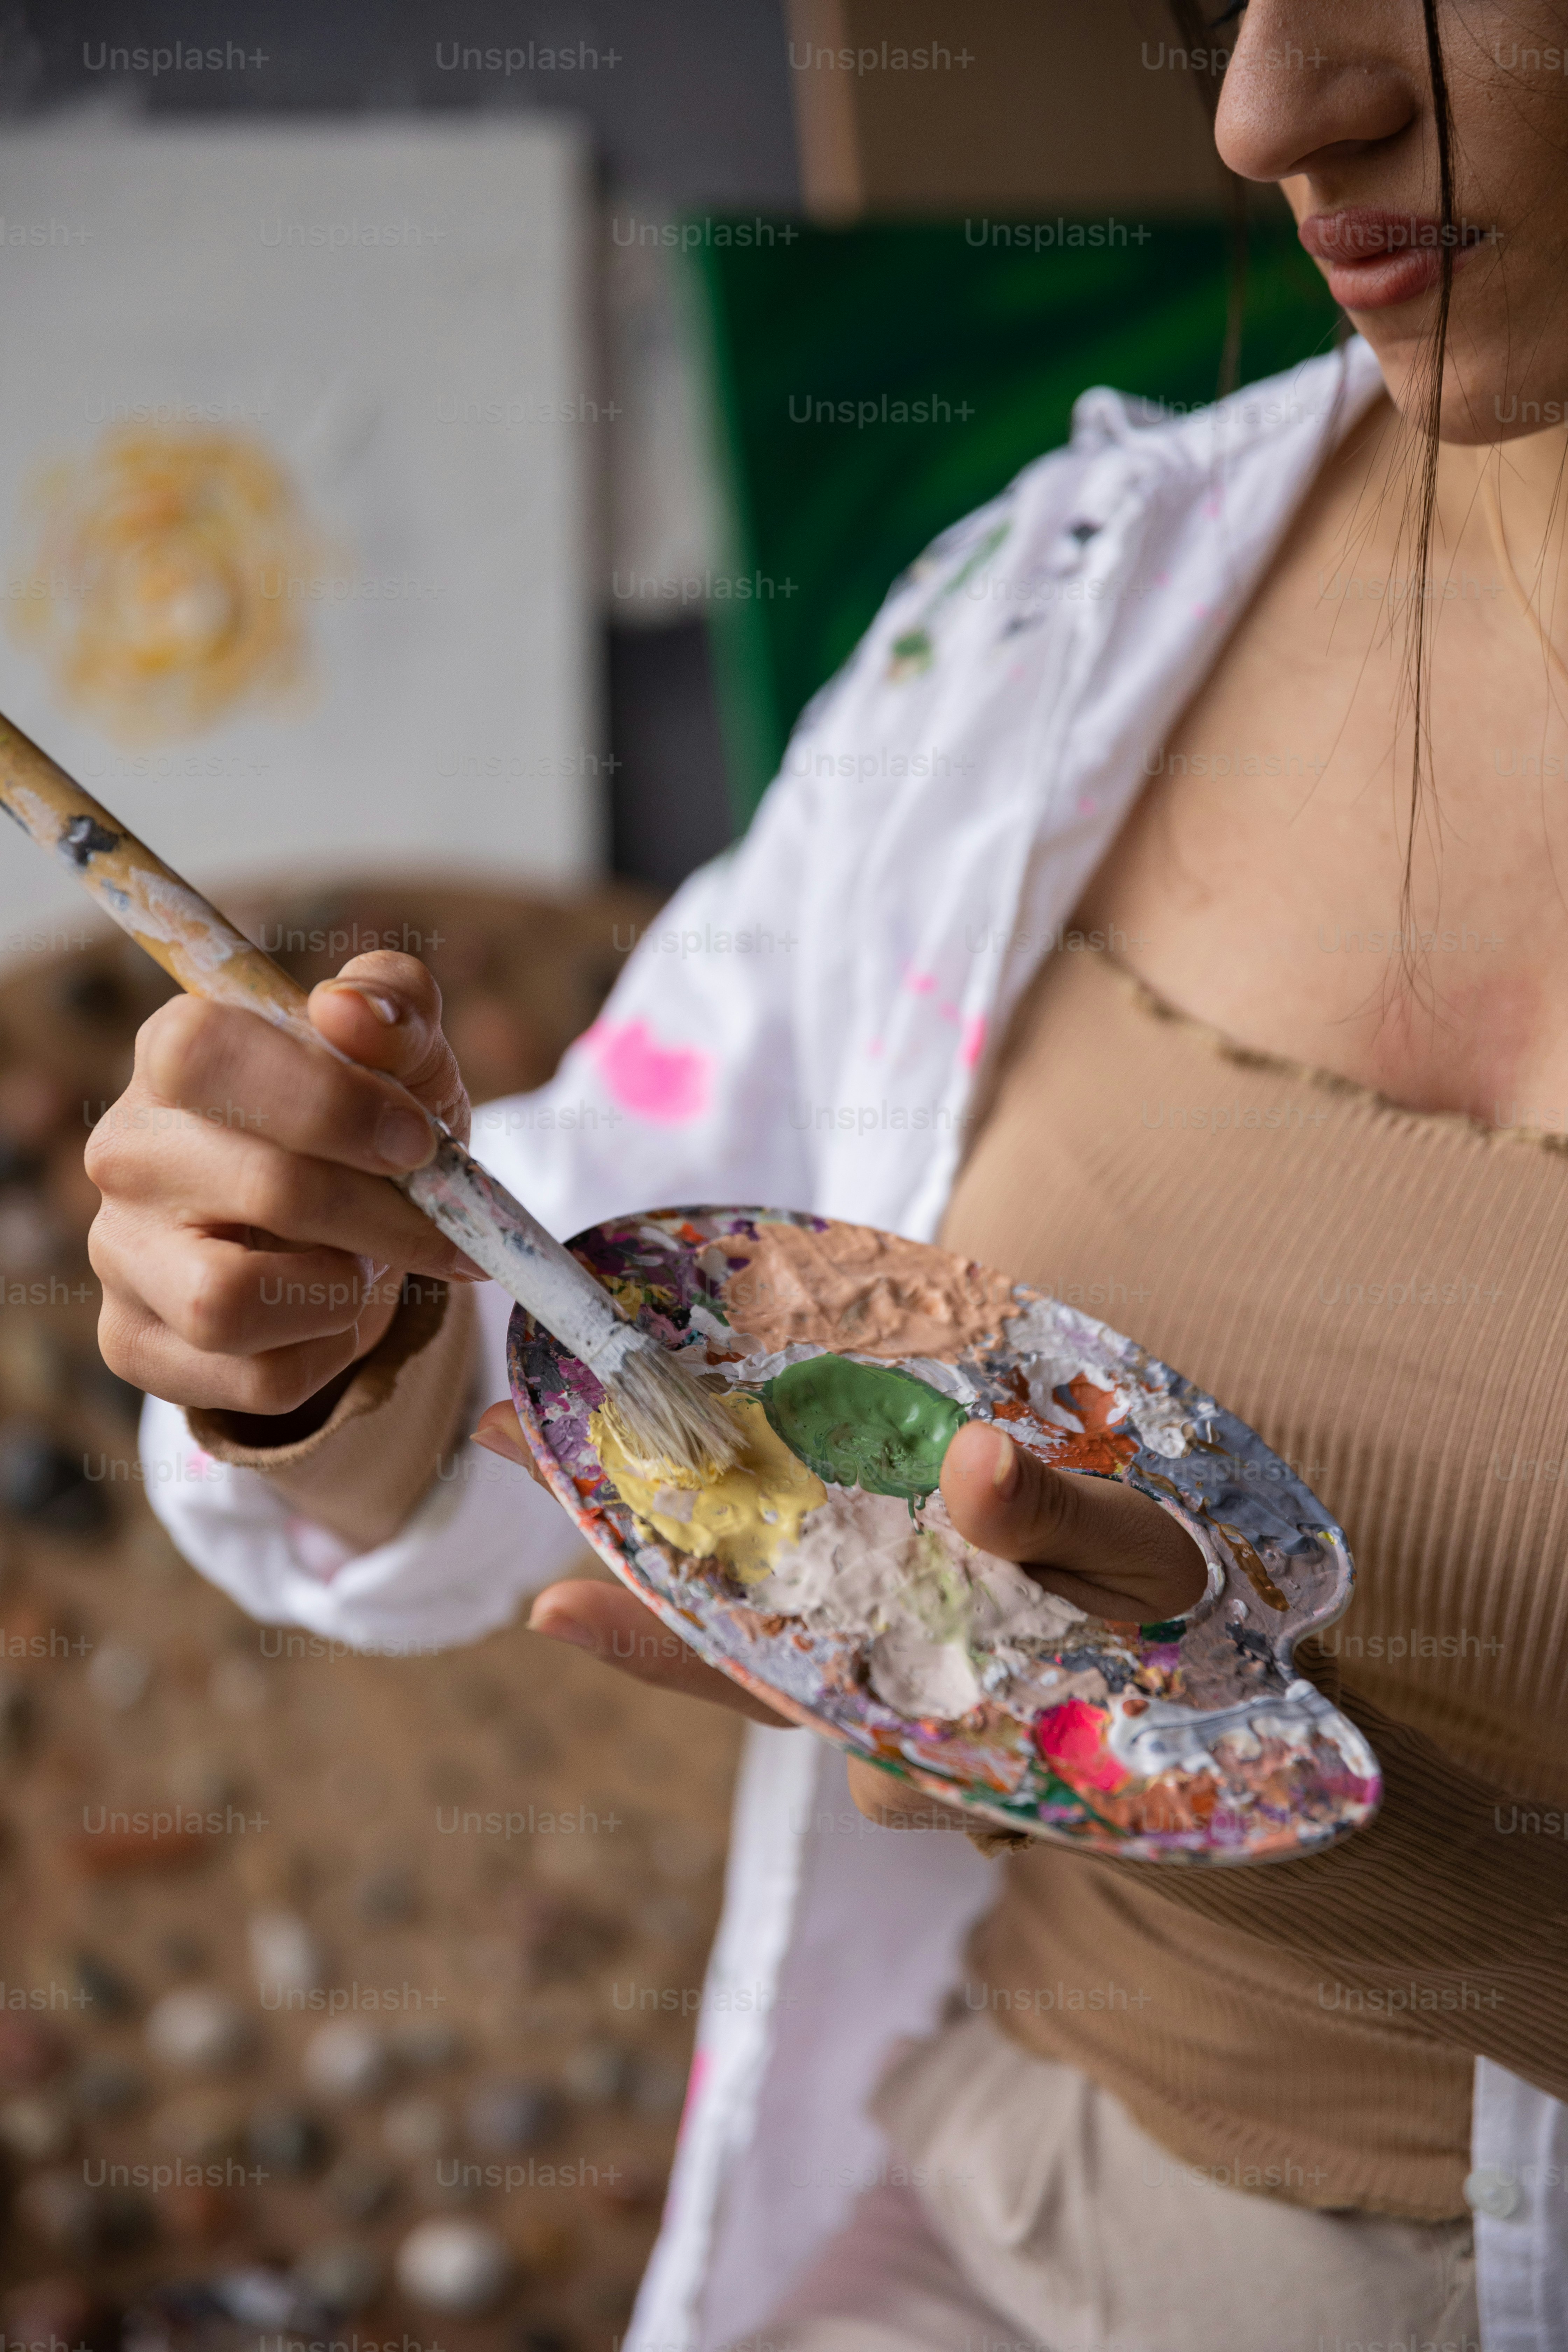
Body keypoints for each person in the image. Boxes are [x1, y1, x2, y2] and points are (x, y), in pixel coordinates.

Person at [93, 4, 1568, 2345]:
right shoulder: (1060, 614)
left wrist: (1251, 1805)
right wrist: (329, 1328)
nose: (1270, 111)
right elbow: (564, 1326)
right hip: (983, 2216)